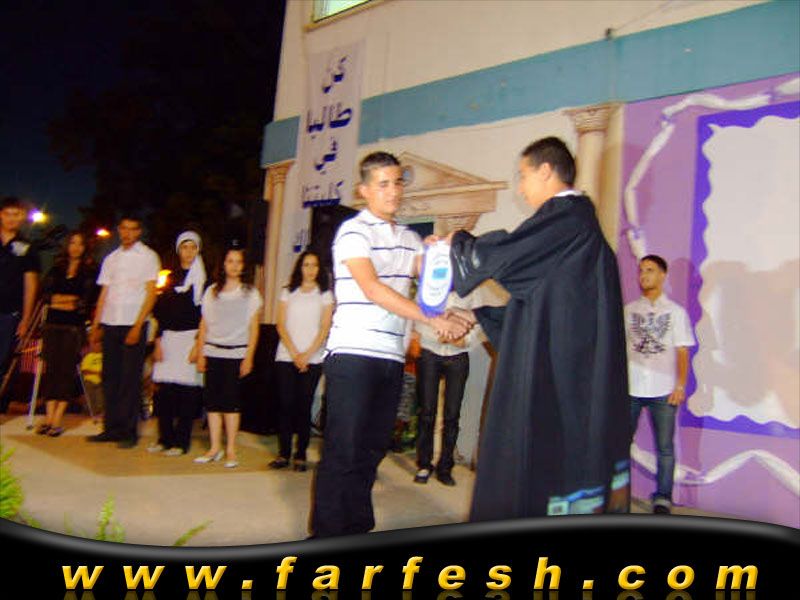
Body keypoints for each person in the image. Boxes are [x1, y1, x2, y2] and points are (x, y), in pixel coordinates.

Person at [446, 136, 630, 520]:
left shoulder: (566, 220)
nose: (520, 188)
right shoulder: (579, 227)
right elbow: (549, 307)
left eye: (523, 176)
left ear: (546, 171)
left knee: (538, 463)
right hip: (572, 372)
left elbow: (507, 256)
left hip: (558, 382)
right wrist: (480, 316)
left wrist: (457, 243)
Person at [309, 151, 469, 538]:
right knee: (344, 450)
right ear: (364, 190)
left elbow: (433, 280)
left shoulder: (409, 238)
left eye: (398, 182)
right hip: (353, 352)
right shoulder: (353, 232)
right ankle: (325, 535)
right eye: (383, 184)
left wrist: (442, 252)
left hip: (391, 357)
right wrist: (432, 319)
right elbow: (372, 288)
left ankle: (356, 528)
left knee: (372, 447)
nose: (393, 191)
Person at [626, 254, 695, 514]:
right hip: (631, 388)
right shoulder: (629, 311)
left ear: (663, 275)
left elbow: (682, 351)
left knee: (665, 447)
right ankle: (617, 492)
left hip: (663, 390)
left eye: (650, 270)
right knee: (619, 443)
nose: (644, 275)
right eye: (641, 271)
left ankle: (663, 497)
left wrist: (680, 386)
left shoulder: (675, 313)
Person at [87, 215, 160, 448]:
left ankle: (129, 432)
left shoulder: (148, 256)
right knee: (110, 378)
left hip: (133, 323)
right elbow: (104, 294)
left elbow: (150, 293)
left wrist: (138, 326)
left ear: (139, 232)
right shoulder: (112, 258)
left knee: (129, 379)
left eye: (132, 229)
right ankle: (111, 428)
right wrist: (96, 325)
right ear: (119, 230)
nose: (127, 233)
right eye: (124, 228)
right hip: (111, 322)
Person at [193, 244, 261, 469]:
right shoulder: (212, 291)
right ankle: (214, 448)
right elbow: (204, 324)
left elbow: (254, 328)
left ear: (243, 266)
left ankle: (231, 449)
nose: (234, 266)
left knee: (231, 404)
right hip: (213, 352)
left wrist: (249, 357)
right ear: (223, 264)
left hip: (236, 353)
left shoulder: (250, 293)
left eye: (238, 262)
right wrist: (201, 353)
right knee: (213, 404)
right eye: (230, 261)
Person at [412, 290, 484, 486]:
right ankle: (424, 464)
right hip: (429, 351)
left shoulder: (472, 288)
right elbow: (417, 316)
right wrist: (438, 333)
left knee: (452, 415)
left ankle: (445, 467)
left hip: (458, 355)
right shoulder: (431, 284)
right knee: (427, 411)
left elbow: (480, 321)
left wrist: (463, 340)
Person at [271, 250, 333, 472]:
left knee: (303, 406)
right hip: (286, 357)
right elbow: (281, 325)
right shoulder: (288, 292)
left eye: (314, 265)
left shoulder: (325, 295)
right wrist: (295, 353)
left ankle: (300, 454)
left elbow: (325, 328)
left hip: (312, 359)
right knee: (286, 405)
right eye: (306, 265)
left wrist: (307, 355)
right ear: (300, 267)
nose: (310, 270)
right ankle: (283, 453)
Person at [149, 230, 207, 456]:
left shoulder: (204, 281)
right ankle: (164, 438)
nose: (188, 252)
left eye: (193, 247)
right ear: (178, 250)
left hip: (191, 339)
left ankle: (182, 442)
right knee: (165, 392)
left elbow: (206, 317)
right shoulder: (169, 277)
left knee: (187, 393)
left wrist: (198, 345)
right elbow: (160, 312)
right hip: (168, 339)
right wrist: (158, 342)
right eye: (184, 247)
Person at [36, 231, 98, 436]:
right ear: (67, 245)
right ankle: (48, 416)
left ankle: (57, 418)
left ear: (85, 248)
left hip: (73, 328)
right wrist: (67, 300)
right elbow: (47, 297)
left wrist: (61, 300)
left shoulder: (88, 272)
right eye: (72, 243)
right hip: (52, 325)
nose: (76, 247)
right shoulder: (56, 269)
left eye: (80, 244)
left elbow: (82, 303)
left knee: (66, 371)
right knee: (51, 370)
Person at [0, 197, 40, 403]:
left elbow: (30, 284)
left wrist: (26, 318)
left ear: (22, 217)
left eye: (16, 214)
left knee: (3, 360)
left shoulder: (26, 247)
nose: (11, 219)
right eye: (7, 214)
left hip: (10, 313)